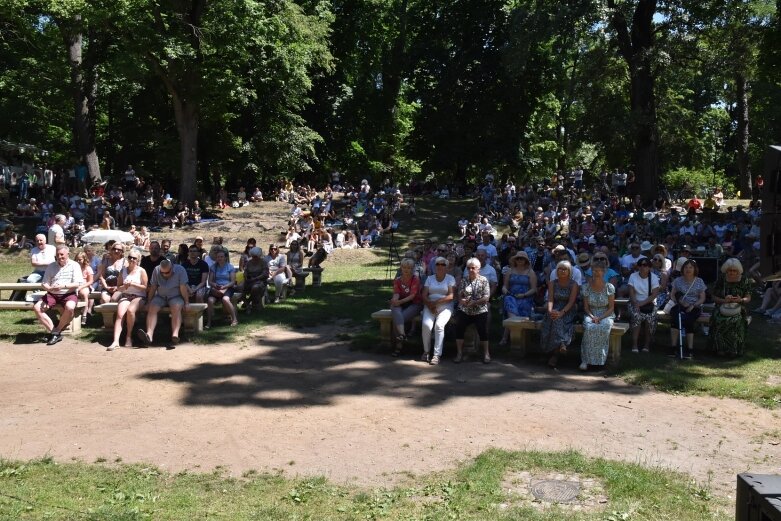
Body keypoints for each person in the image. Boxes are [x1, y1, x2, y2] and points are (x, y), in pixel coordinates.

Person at [33, 245, 84, 345]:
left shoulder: (75, 265)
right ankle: (55, 333)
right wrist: (48, 288)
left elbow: (78, 283)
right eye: (57, 255)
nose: (59, 257)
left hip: (69, 293)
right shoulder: (51, 266)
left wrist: (63, 286)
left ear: (68, 254)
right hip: (52, 293)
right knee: (37, 308)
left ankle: (57, 330)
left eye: (62, 255)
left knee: (69, 307)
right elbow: (44, 282)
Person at [137, 259, 189, 346]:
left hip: (175, 296)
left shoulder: (180, 270)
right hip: (160, 296)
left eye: (167, 272)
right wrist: (149, 302)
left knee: (176, 307)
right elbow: (153, 287)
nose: (164, 274)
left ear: (172, 267)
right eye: (162, 273)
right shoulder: (156, 270)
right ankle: (149, 335)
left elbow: (183, 288)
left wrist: (186, 302)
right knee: (152, 307)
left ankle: (175, 335)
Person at [708, 258, 752, 357]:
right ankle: (720, 348)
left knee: (736, 320)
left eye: (734, 270)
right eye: (730, 270)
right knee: (717, 318)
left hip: (738, 307)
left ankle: (734, 349)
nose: (732, 272)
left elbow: (748, 297)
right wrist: (724, 300)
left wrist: (741, 300)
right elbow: (713, 296)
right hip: (721, 306)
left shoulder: (744, 280)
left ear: (738, 270)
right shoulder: (721, 279)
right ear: (726, 270)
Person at [540, 260, 579, 369]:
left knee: (558, 320)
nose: (562, 271)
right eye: (560, 269)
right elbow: (550, 299)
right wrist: (550, 310)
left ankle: (554, 355)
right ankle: (561, 344)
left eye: (564, 269)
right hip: (554, 309)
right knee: (554, 319)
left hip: (568, 310)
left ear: (569, 271)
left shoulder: (573, 284)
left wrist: (562, 313)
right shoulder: (553, 283)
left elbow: (571, 302)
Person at [107, 250, 148, 351]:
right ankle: (115, 341)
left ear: (138, 260)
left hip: (139, 296)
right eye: (130, 257)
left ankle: (128, 336)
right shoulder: (123, 271)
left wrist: (133, 284)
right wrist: (124, 286)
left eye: (134, 258)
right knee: (120, 314)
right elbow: (118, 287)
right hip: (126, 295)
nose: (132, 260)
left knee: (130, 310)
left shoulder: (141, 271)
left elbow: (145, 287)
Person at [453, 257, 492, 364]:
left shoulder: (484, 280)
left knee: (482, 329)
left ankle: (486, 353)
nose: (470, 270)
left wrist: (475, 302)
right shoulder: (464, 280)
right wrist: (462, 301)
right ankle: (459, 353)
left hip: (479, 309)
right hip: (465, 309)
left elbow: (486, 297)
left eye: (473, 268)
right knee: (459, 326)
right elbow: (459, 295)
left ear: (478, 269)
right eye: (468, 268)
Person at [579, 260, 615, 371]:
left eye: (599, 271)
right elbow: (586, 307)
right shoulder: (586, 287)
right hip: (591, 313)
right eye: (594, 271)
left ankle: (599, 360)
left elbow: (611, 308)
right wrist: (592, 316)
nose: (597, 273)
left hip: (606, 314)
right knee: (590, 328)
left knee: (603, 327)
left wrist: (600, 317)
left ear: (604, 272)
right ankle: (585, 360)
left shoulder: (609, 287)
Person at [668, 259, 707, 359]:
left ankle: (690, 349)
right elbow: (672, 295)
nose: (688, 269)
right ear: (682, 269)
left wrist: (693, 305)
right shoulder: (677, 280)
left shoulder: (699, 281)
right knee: (675, 320)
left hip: (694, 306)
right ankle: (673, 348)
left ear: (695, 269)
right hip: (680, 304)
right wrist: (680, 302)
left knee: (689, 320)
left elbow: (702, 298)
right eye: (686, 267)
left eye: (690, 267)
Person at [500, 251, 536, 345]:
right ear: (515, 260)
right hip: (511, 296)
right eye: (518, 258)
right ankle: (513, 337)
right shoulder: (510, 271)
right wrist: (505, 291)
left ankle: (511, 337)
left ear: (526, 261)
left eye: (522, 259)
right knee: (508, 300)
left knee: (522, 306)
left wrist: (524, 295)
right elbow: (504, 286)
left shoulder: (530, 272)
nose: (520, 260)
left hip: (525, 297)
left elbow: (533, 289)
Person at [390, 258, 425, 355]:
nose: (406, 270)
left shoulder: (415, 279)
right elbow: (396, 293)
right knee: (394, 308)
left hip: (415, 303)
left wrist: (399, 302)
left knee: (397, 319)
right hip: (402, 303)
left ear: (413, 269)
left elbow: (412, 296)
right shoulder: (397, 280)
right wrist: (395, 300)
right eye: (404, 267)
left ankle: (398, 346)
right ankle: (402, 335)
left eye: (409, 268)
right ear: (401, 268)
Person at [628, 258, 660, 353]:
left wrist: (641, 303)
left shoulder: (654, 277)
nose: (642, 267)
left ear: (649, 267)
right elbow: (631, 292)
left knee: (650, 319)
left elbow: (654, 294)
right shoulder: (633, 276)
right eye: (640, 265)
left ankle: (647, 344)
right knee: (636, 316)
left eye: (645, 265)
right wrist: (636, 304)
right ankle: (634, 344)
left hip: (648, 303)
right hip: (634, 302)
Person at [205, 249, 238, 328]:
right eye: (218, 257)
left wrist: (224, 287)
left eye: (221, 257)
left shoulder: (230, 267)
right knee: (210, 300)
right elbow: (210, 281)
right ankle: (209, 322)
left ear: (225, 258)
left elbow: (233, 281)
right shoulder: (213, 267)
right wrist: (215, 285)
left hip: (228, 287)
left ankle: (234, 319)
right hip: (217, 288)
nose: (219, 258)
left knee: (225, 299)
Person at [240, 247, 269, 313]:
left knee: (255, 288)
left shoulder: (263, 262)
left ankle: (248, 301)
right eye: (253, 256)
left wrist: (256, 278)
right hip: (249, 280)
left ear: (259, 256)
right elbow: (245, 271)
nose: (254, 258)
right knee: (239, 287)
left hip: (260, 281)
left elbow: (265, 274)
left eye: (256, 256)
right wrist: (246, 276)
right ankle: (247, 304)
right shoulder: (249, 262)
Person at [74, 251, 95, 325]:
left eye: (80, 259)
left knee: (84, 293)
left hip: (85, 285)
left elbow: (90, 281)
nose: (78, 261)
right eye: (77, 259)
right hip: (75, 285)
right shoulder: (74, 268)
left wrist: (81, 287)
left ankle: (85, 314)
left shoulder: (87, 268)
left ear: (84, 259)